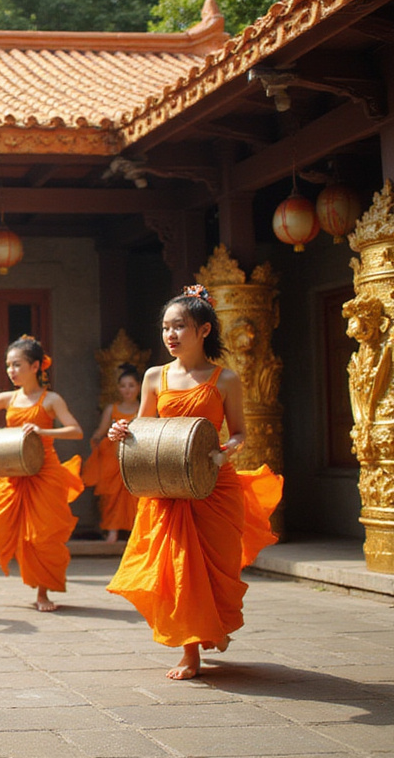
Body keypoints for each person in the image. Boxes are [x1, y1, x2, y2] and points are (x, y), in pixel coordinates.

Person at [106, 285, 282, 680]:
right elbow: (144, 429)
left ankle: (211, 626)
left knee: (215, 568)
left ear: (203, 330)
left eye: (180, 326)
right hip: (167, 488)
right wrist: (123, 430)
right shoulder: (155, 377)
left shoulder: (225, 379)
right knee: (179, 569)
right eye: (166, 327)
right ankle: (189, 652)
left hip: (214, 487)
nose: (170, 335)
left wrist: (224, 452)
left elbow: (239, 433)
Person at [0, 335, 84, 612]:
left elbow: (76, 430)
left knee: (43, 535)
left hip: (45, 471)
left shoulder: (51, 399)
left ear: (36, 366)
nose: (11, 371)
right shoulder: (8, 398)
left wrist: (44, 431)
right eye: (8, 365)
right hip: (14, 471)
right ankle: (10, 555)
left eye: (17, 365)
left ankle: (43, 594)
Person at [82, 364, 142, 542]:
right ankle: (113, 531)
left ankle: (136, 532)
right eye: (123, 386)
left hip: (136, 458)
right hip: (113, 459)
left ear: (139, 387)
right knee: (112, 497)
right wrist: (96, 441)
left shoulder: (145, 407)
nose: (127, 390)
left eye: (131, 385)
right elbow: (101, 431)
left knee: (136, 496)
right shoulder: (112, 409)